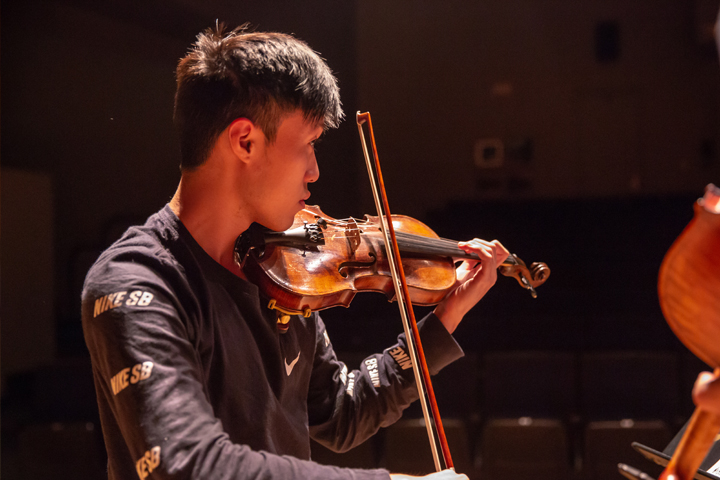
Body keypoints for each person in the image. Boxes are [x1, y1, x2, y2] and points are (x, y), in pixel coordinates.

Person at [82, 24, 509, 480]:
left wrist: (445, 318)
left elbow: (342, 413)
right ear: (244, 141)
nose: (315, 171)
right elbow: (188, 465)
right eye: (308, 145)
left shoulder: (279, 269)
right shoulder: (136, 281)